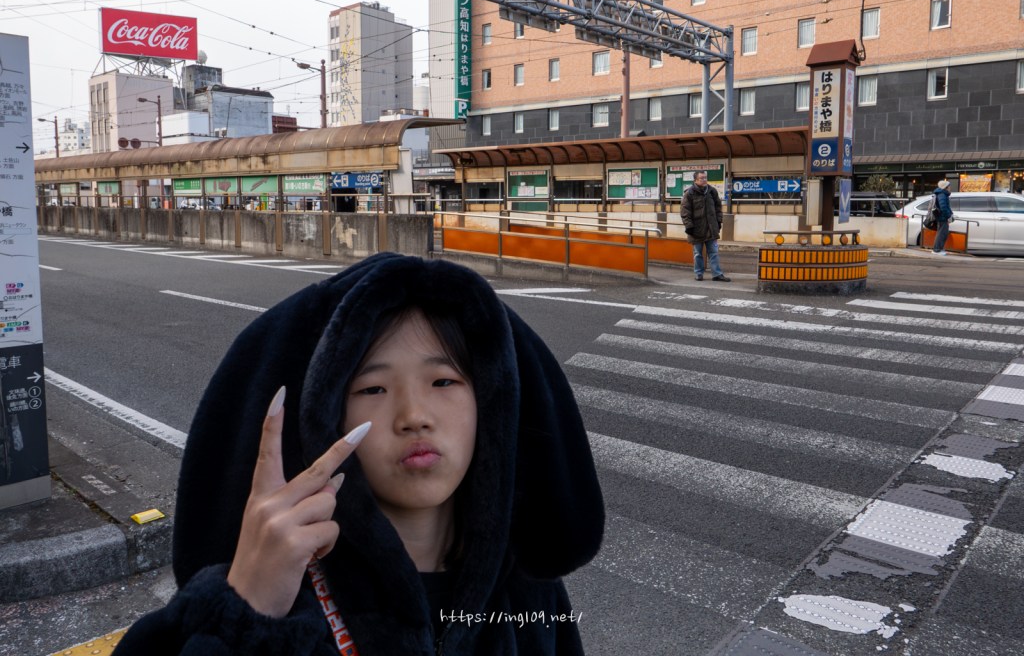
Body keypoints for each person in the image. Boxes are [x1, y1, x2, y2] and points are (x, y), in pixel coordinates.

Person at [113, 253, 604, 655]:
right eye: (372, 389)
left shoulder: (527, 592)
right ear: (328, 416)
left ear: (491, 404)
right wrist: (246, 610)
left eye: (443, 381)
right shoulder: (284, 590)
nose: (414, 415)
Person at [681, 170, 731, 282]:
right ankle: (698, 273)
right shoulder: (689, 193)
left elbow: (718, 208)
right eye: (701, 178)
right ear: (695, 180)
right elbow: (685, 211)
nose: (704, 180)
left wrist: (719, 221)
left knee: (714, 252)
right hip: (696, 229)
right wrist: (689, 226)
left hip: (711, 228)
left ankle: (717, 274)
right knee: (698, 253)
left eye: (705, 178)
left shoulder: (712, 191)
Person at [931, 179, 954, 256]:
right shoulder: (942, 194)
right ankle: (937, 250)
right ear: (945, 187)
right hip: (942, 217)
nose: (950, 188)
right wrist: (948, 215)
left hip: (942, 217)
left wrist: (950, 214)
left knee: (942, 233)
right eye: (949, 186)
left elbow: (945, 206)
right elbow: (943, 207)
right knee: (942, 234)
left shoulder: (942, 194)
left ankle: (938, 249)